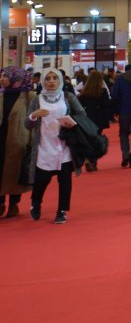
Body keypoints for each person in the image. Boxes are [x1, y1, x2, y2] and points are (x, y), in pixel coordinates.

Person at [24, 69, 85, 224]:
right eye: (48, 78)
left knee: (65, 181)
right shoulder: (37, 99)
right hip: (44, 147)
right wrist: (34, 115)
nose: (51, 81)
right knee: (41, 180)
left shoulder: (68, 97)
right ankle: (36, 203)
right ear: (43, 81)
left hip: (64, 146)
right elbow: (27, 124)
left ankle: (62, 211)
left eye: (54, 78)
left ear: (60, 80)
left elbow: (82, 116)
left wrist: (71, 122)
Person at [0, 66, 34, 218]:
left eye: (5, 76)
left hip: (17, 140)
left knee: (15, 173)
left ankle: (14, 203)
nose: (2, 79)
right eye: (1, 76)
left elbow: (34, 121)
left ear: (17, 78)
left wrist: (32, 141)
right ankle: (0, 203)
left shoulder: (29, 96)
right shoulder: (1, 94)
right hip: (1, 139)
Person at [77, 71, 111, 171]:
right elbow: (106, 104)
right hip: (99, 118)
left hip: (87, 118)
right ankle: (93, 161)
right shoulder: (103, 91)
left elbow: (80, 105)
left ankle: (87, 158)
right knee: (97, 140)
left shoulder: (84, 91)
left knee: (88, 139)